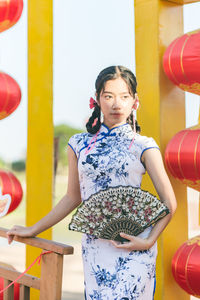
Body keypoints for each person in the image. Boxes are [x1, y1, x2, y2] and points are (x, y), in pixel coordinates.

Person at [7, 65, 177, 299]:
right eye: (108, 96)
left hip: (135, 249)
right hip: (96, 247)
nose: (117, 104)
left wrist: (148, 241)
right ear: (96, 99)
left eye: (124, 96)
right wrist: (33, 229)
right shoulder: (79, 144)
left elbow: (169, 202)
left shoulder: (144, 145)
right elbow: (72, 198)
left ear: (135, 101)